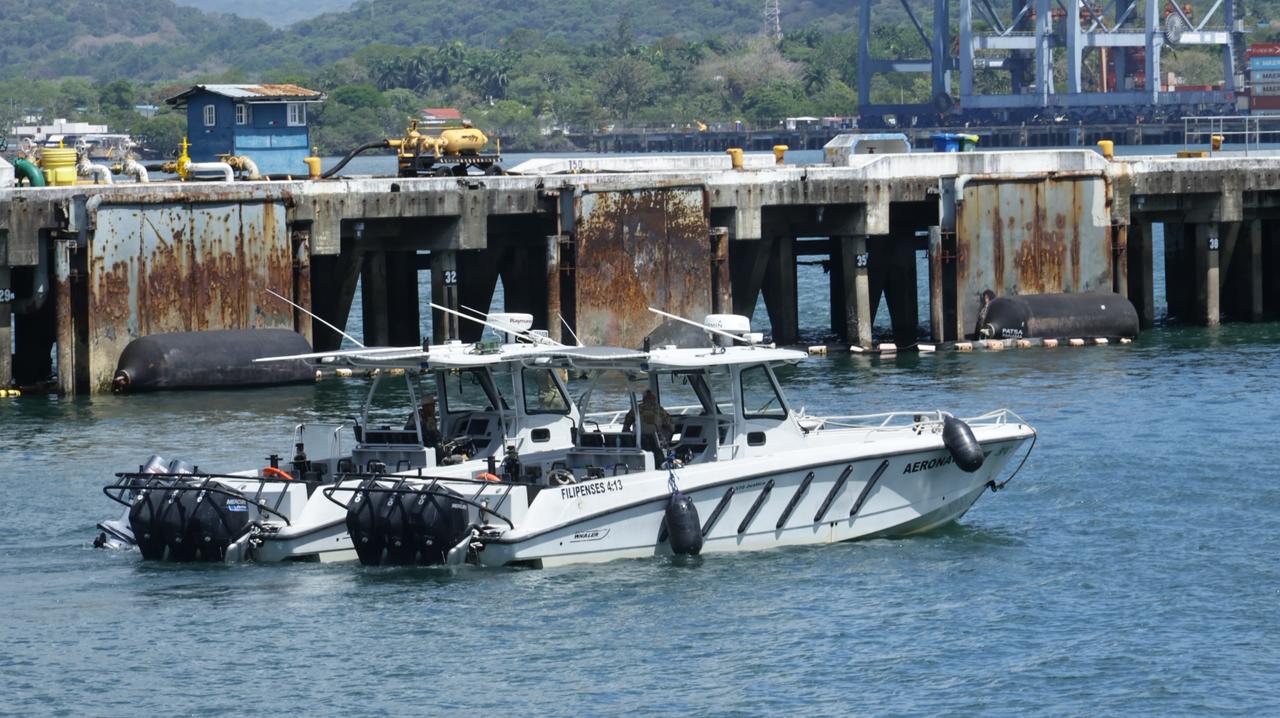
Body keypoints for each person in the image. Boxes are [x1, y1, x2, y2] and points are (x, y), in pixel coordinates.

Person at [623, 389, 674, 466]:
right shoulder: (659, 410)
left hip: (639, 441)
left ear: (643, 399)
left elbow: (626, 424)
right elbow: (671, 427)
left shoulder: (636, 409)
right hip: (655, 442)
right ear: (654, 399)